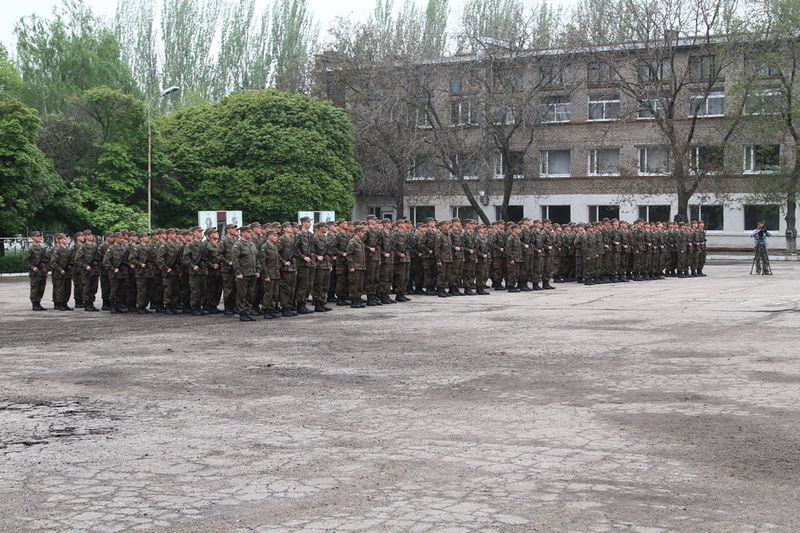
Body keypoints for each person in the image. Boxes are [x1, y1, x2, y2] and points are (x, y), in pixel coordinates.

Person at [232, 225, 260, 321]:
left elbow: (256, 258)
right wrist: (238, 272)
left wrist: (257, 270)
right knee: (242, 294)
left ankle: (248, 311)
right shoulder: (238, 245)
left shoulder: (252, 244)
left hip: (252, 273)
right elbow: (235, 260)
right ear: (243, 233)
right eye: (248, 232)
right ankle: (242, 313)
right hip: (243, 273)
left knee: (250, 294)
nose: (250, 234)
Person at [23, 231, 49, 311]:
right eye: (37, 236)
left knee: (41, 288)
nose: (39, 237)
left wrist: (46, 267)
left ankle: (39, 302)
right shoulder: (30, 248)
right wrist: (32, 267)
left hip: (42, 271)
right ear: (33, 237)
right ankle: (35, 304)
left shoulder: (42, 248)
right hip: (35, 272)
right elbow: (25, 260)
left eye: (39, 236)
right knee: (35, 288)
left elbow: (46, 259)